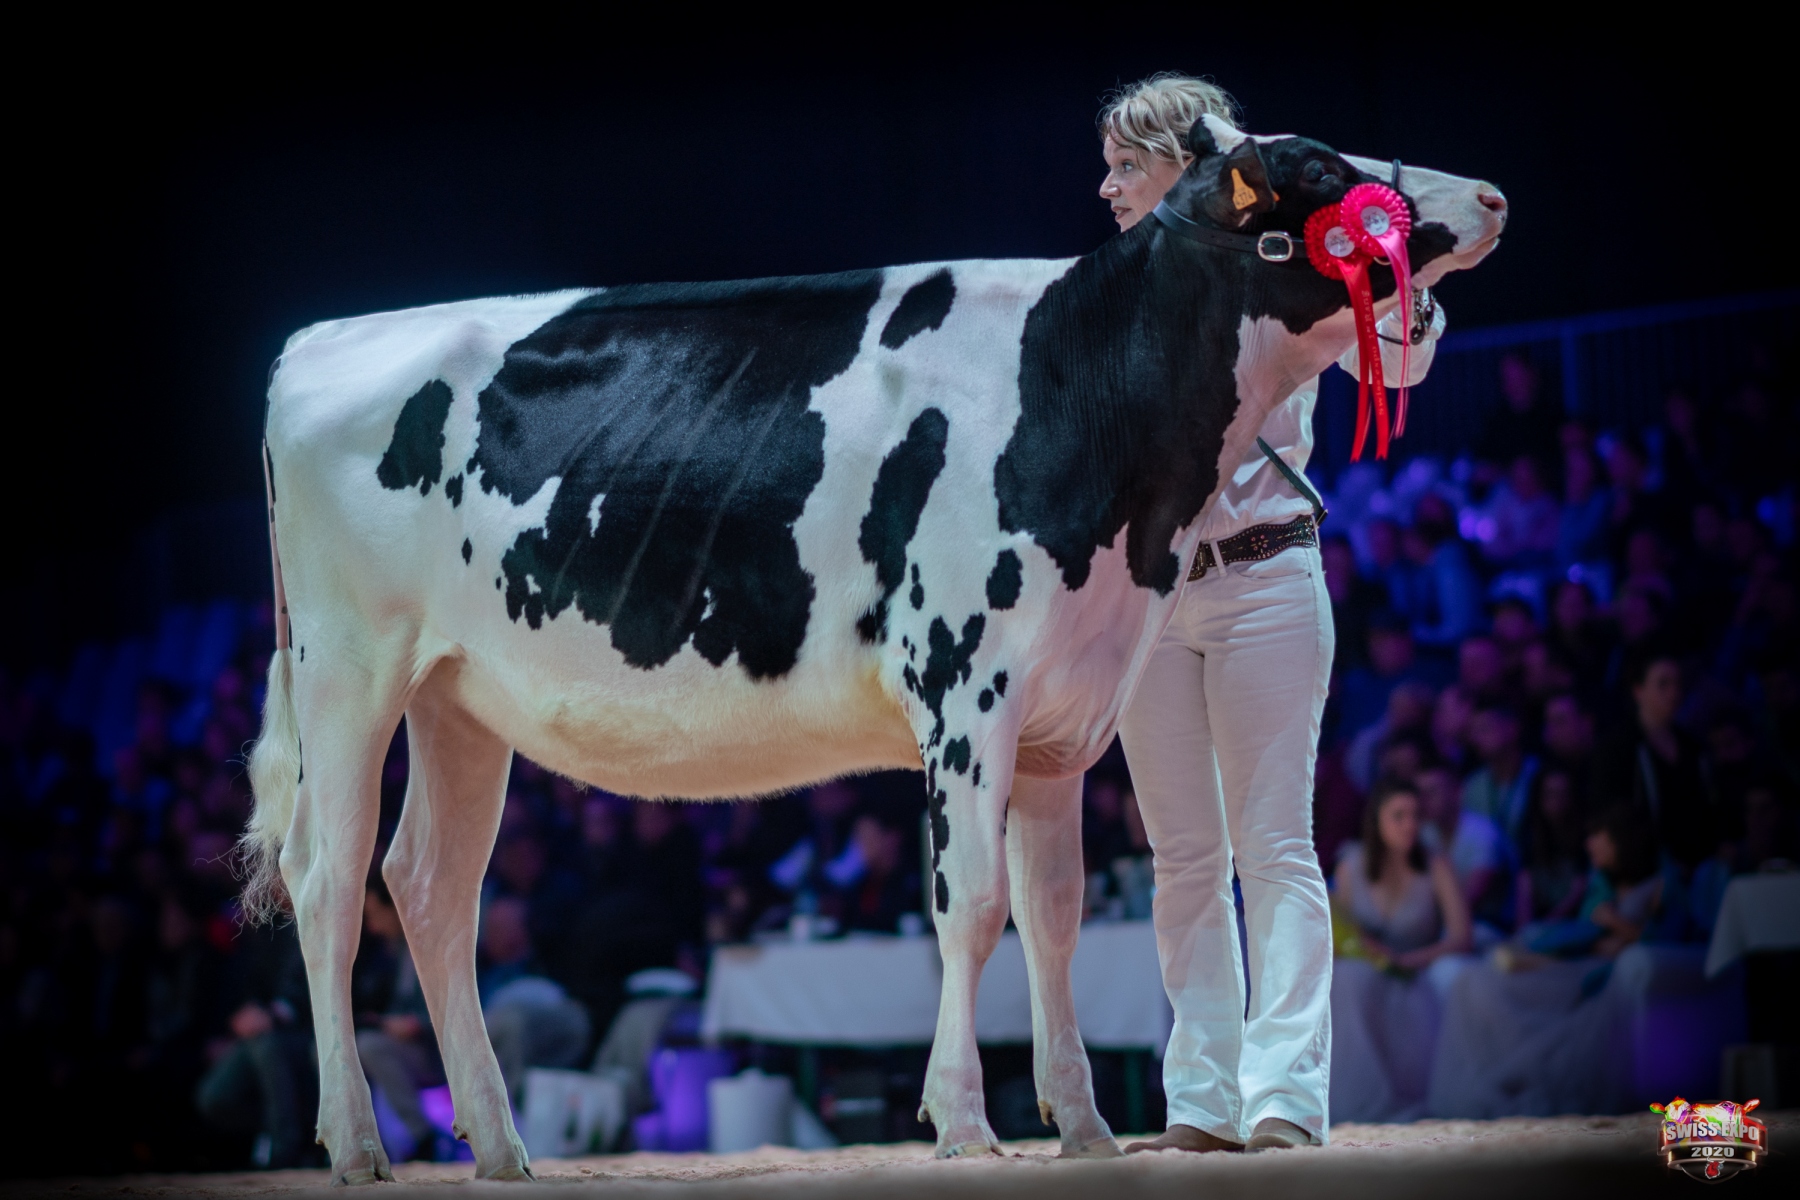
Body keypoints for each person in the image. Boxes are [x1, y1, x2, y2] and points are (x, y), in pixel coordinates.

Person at [1099, 73, 1444, 1153]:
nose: (1106, 186)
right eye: (1108, 166)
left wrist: (1402, 273)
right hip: (1154, 598)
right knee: (1184, 859)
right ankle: (1203, 1102)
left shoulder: (1286, 261)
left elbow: (1408, 358)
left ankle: (1285, 1096)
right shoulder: (1105, 292)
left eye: (1125, 165)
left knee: (1275, 845)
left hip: (1267, 577)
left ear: (1182, 166)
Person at [1329, 780, 1471, 1122]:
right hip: (1371, 969)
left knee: (1453, 976)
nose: (1410, 824)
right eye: (1399, 816)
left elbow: (1462, 937)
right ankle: (1361, 1094)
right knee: (1347, 976)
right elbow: (1345, 936)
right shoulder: (1352, 866)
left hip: (1421, 967)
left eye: (1416, 815)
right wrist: (1373, 955)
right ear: (1376, 820)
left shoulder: (1434, 864)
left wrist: (1408, 960)